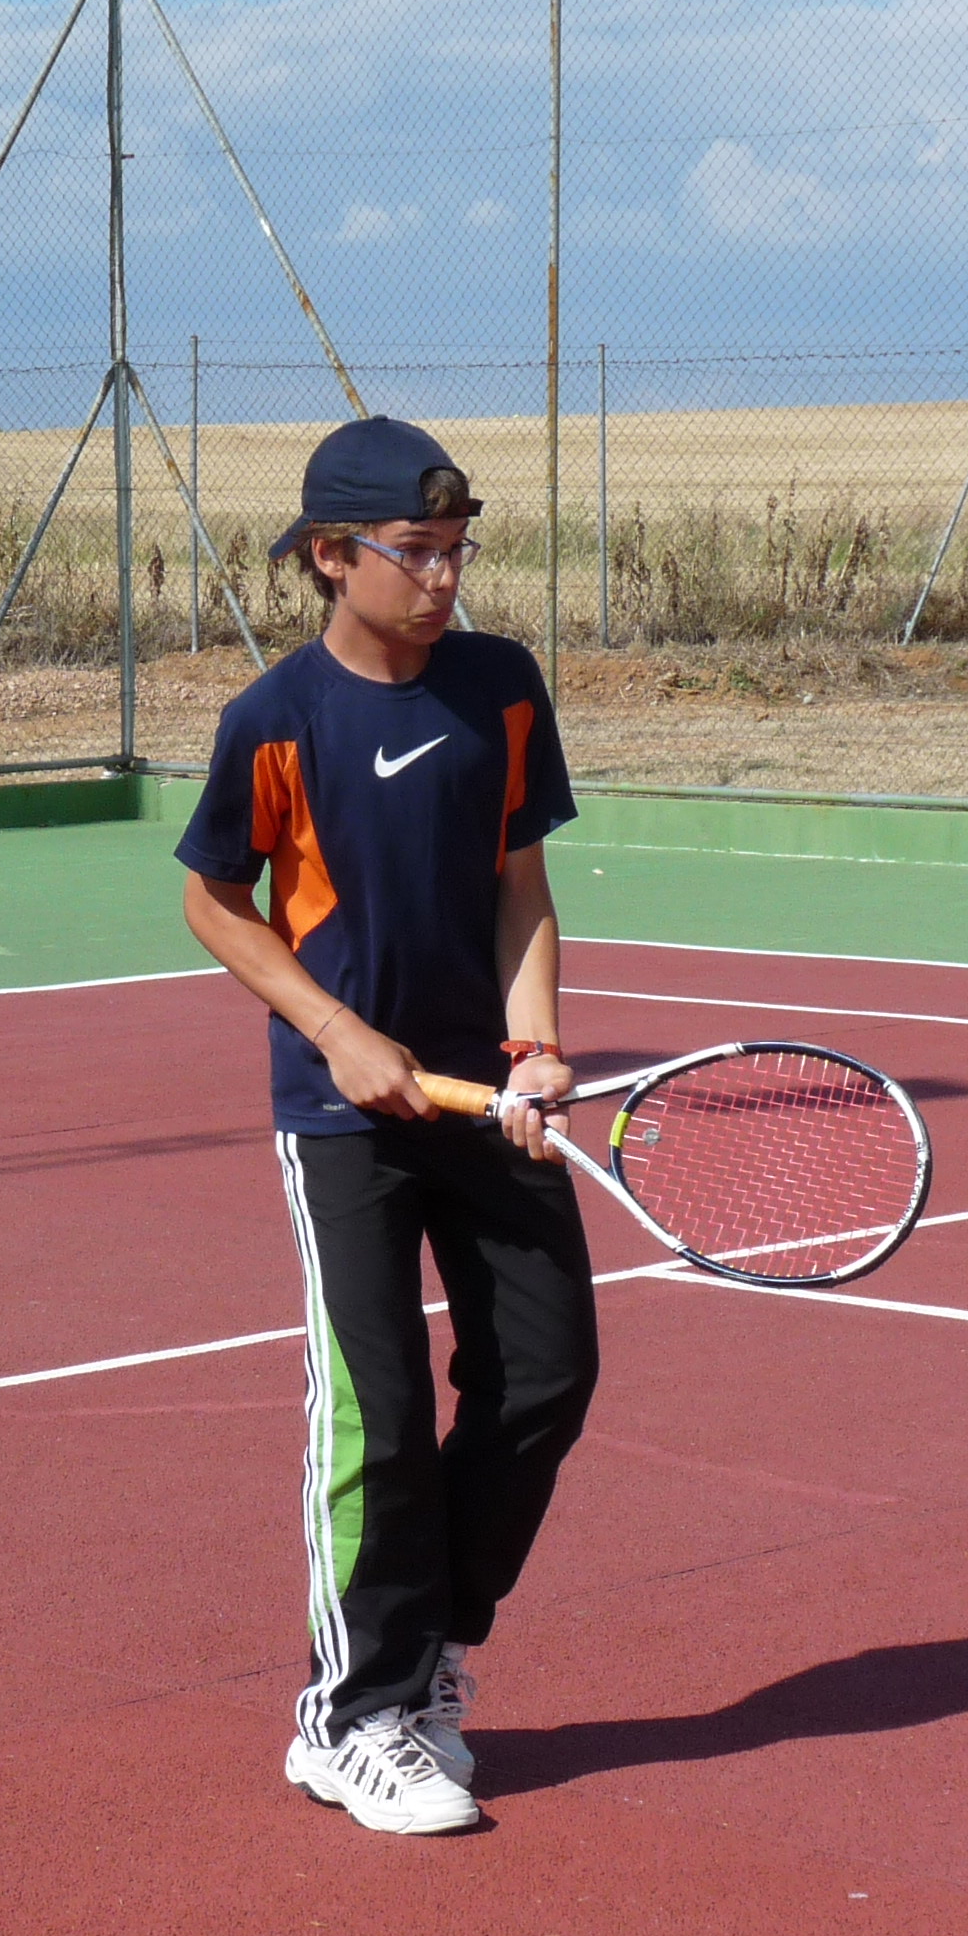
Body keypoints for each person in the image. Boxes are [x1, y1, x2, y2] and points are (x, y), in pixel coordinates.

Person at [175, 416, 601, 1837]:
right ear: (328, 556)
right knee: (384, 1413)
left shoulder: (501, 688)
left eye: (457, 549)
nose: (443, 577)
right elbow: (214, 903)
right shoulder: (275, 719)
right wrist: (339, 1034)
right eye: (415, 551)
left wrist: (536, 1047)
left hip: (488, 1102)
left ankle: (424, 1658)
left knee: (546, 1378)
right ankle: (352, 1718)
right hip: (342, 1119)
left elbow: (520, 887)